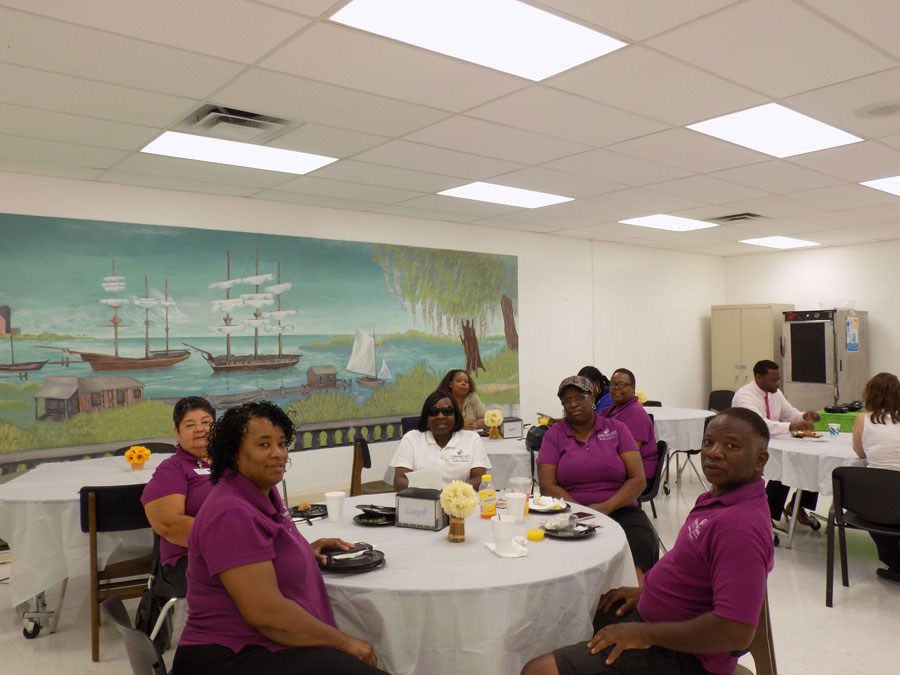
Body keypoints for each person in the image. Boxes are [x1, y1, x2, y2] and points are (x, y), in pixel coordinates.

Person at [522, 407, 774, 675]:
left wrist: (644, 634)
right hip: (659, 618)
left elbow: (736, 632)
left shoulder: (739, 527)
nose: (714, 452)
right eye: (708, 442)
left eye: (731, 445)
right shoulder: (717, 499)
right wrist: (648, 591)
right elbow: (692, 574)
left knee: (538, 670)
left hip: (688, 656)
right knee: (566, 614)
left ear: (759, 459)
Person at [172, 401, 386, 675]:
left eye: (282, 443)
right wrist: (344, 642)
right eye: (263, 445)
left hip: (263, 644)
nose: (278, 454)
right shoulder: (231, 511)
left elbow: (261, 554)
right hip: (230, 655)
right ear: (233, 453)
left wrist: (299, 550)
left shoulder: (261, 493)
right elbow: (267, 615)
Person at [537, 376, 658, 579]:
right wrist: (581, 511)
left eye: (580, 397)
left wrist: (605, 508)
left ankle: (634, 598)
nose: (573, 404)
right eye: (567, 400)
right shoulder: (554, 435)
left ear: (592, 397)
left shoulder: (617, 429)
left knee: (640, 546)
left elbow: (638, 480)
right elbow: (547, 486)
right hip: (570, 514)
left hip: (621, 510)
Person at [732, 359, 821, 527]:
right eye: (773, 380)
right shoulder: (744, 396)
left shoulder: (774, 392)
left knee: (810, 461)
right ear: (758, 377)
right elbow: (759, 424)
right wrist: (792, 426)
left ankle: (797, 505)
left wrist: (804, 416)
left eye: (778, 379)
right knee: (787, 466)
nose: (777, 383)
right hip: (749, 446)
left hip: (772, 442)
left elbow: (789, 413)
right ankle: (767, 514)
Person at [141, 396, 217, 594]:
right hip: (189, 561)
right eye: (190, 424)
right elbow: (168, 523)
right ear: (177, 432)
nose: (200, 429)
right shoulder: (172, 469)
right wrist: (226, 540)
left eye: (207, 423)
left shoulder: (233, 462)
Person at [852, 372, 900, 583]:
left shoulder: (863, 419)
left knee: (878, 516)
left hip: (874, 502)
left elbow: (861, 454)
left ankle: (895, 563)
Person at [390, 389, 491, 490]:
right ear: (426, 417)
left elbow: (479, 480)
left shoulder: (472, 439)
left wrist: (450, 493)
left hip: (461, 501)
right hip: (422, 501)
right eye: (434, 412)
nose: (441, 416)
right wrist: (435, 493)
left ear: (456, 416)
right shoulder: (411, 439)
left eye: (447, 411)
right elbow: (399, 482)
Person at [597, 368, 658, 481]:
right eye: (613, 384)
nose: (616, 388)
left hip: (636, 474)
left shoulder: (636, 413)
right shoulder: (609, 410)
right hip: (615, 464)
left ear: (633, 388)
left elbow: (631, 454)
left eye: (622, 385)